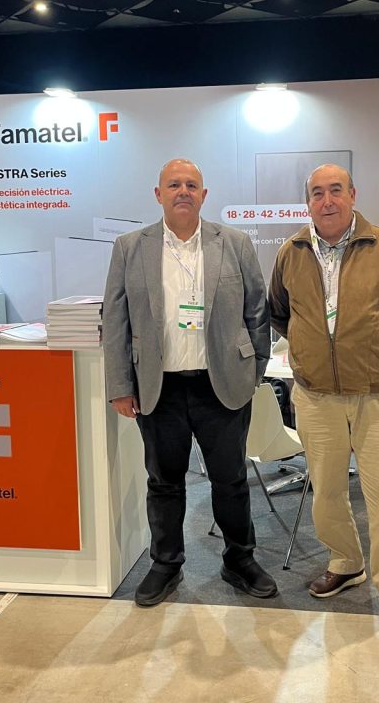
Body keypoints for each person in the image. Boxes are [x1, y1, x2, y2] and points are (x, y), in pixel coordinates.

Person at [103, 158, 277, 607]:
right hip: (158, 387)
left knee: (231, 479)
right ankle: (166, 564)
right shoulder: (130, 247)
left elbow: (257, 311)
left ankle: (239, 560)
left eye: (191, 185)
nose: (183, 191)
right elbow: (116, 320)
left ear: (204, 194)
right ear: (158, 194)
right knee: (164, 482)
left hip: (222, 385)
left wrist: (254, 370)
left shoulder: (234, 243)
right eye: (174, 184)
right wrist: (120, 385)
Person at [269, 164, 379, 628]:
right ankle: (345, 563)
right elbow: (279, 313)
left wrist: (377, 352)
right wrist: (313, 352)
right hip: (316, 396)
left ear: (353, 195)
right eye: (317, 193)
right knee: (327, 492)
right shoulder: (291, 252)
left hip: (378, 394)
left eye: (336, 190)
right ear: (308, 202)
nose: (327, 201)